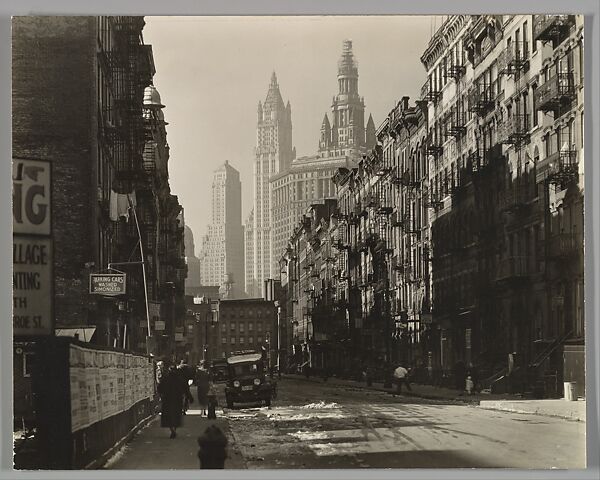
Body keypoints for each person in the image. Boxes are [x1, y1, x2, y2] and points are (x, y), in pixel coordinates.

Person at [157, 361, 192, 439]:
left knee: (168, 416)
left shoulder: (166, 378)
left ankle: (172, 430)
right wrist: (189, 397)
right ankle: (174, 429)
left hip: (167, 399)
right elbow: (185, 388)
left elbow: (160, 388)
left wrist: (161, 394)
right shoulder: (179, 379)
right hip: (177, 399)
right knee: (176, 415)